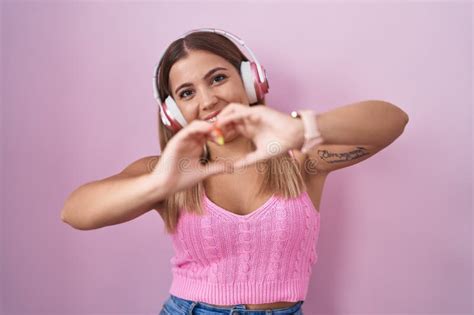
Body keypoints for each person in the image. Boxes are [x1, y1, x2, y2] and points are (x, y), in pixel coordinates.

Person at [60, 28, 409, 315]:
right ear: (173, 113)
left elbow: (392, 121)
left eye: (217, 78)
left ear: (250, 80)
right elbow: (75, 211)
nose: (208, 100)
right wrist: (157, 184)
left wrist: (303, 129)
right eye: (187, 93)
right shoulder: (167, 172)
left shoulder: (300, 160)